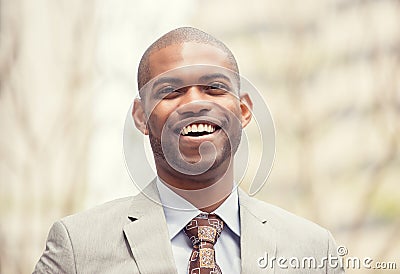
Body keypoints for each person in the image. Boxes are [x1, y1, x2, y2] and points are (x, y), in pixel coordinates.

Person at [33, 27, 344, 274]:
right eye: (170, 91)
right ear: (141, 117)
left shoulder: (314, 249)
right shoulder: (77, 248)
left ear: (244, 110)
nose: (195, 103)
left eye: (214, 88)